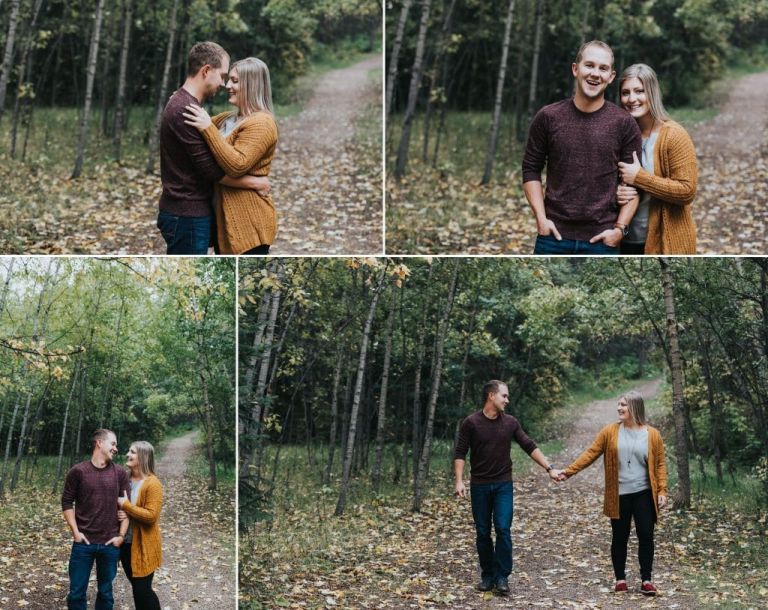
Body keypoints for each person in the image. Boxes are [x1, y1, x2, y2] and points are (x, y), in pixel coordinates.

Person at [522, 40, 642, 255]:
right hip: (553, 237)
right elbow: (531, 169)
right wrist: (541, 219)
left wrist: (619, 229)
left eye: (603, 68)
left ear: (611, 77)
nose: (595, 73)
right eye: (589, 65)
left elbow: (634, 183)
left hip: (603, 239)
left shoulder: (624, 123)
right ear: (575, 69)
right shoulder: (548, 117)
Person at [157, 42, 270, 254]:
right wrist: (254, 182)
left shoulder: (187, 106)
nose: (224, 84)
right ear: (206, 70)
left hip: (195, 213)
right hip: (186, 213)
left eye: (233, 80)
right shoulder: (186, 109)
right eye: (224, 76)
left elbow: (212, 132)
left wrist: (205, 123)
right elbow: (210, 170)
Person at [555, 391, 668, 596]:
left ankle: (647, 580)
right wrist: (568, 472)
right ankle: (620, 579)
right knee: (619, 537)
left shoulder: (652, 434)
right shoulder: (610, 432)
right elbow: (590, 453)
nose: (619, 408)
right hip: (619, 494)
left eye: (623, 405)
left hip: (644, 493)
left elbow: (660, 464)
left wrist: (662, 490)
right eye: (618, 404)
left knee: (646, 535)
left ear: (634, 407)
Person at [454, 380, 560, 595]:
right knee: (483, 531)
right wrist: (459, 480)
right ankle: (488, 575)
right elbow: (460, 452)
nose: (507, 400)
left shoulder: (510, 422)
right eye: (504, 396)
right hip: (480, 486)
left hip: (503, 484)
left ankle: (502, 577)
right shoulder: (471, 423)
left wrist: (550, 468)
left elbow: (528, 445)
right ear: (491, 396)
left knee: (503, 528)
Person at [182, 56, 278, 255]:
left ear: (252, 84)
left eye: (234, 81)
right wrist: (183, 98)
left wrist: (208, 127)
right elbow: (198, 137)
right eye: (228, 79)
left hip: (249, 224)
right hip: (225, 224)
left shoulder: (262, 123)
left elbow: (236, 165)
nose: (227, 85)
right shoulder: (228, 119)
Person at [616, 63, 698, 254]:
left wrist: (639, 177)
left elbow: (687, 190)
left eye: (639, 91)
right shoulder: (619, 135)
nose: (632, 99)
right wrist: (616, 192)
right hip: (623, 238)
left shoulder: (674, 135)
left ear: (651, 93)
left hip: (665, 240)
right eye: (626, 92)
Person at [62, 429, 130, 610]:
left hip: (110, 544)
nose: (116, 448)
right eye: (113, 444)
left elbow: (127, 507)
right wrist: (75, 532)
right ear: (99, 443)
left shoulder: (120, 473)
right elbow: (67, 502)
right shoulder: (78, 472)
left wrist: (121, 536)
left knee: (106, 594)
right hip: (83, 543)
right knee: (76, 593)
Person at [117, 441, 163, 610]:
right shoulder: (124, 479)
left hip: (143, 545)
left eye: (133, 452)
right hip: (125, 544)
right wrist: (119, 512)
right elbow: (116, 504)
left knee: (141, 591)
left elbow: (151, 516)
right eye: (129, 451)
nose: (128, 455)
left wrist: (126, 507)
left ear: (143, 457)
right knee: (139, 590)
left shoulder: (153, 484)